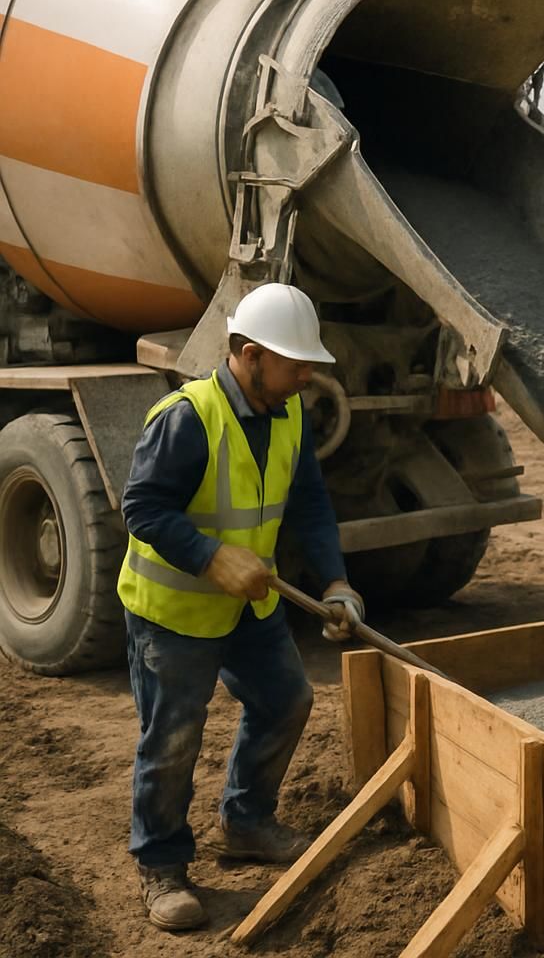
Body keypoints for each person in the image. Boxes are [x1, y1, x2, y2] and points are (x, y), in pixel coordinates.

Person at [117, 283, 365, 932]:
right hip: (174, 613)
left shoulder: (290, 414)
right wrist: (210, 556)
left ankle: (247, 821)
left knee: (288, 699)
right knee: (172, 741)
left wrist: (336, 583)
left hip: (250, 612)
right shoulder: (187, 417)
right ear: (249, 354)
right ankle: (162, 865)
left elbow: (309, 504)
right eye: (295, 363)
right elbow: (141, 509)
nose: (307, 375)